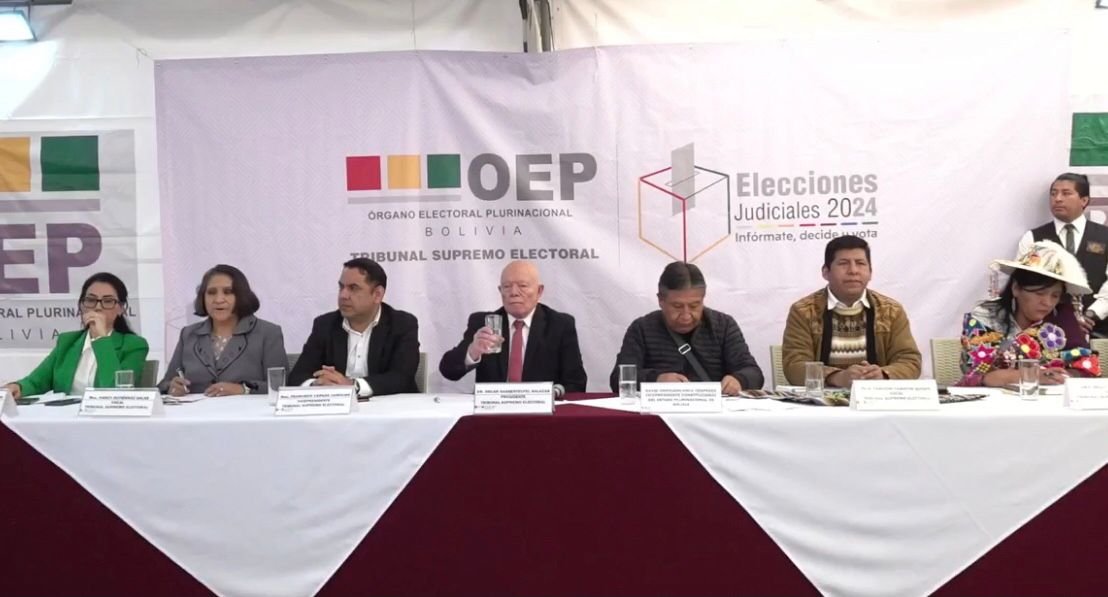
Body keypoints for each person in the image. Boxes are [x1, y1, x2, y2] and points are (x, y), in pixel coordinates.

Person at [782, 235, 921, 387]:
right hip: (822, 399)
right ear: (826, 272)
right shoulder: (803, 311)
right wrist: (837, 377)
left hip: (876, 397)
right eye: (843, 263)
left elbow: (910, 361)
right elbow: (794, 366)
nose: (853, 271)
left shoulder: (891, 311)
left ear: (870, 272)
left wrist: (882, 375)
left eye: (860, 263)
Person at [958, 240, 1100, 386]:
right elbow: (977, 375)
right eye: (1039, 293)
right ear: (1016, 289)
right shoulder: (986, 317)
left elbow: (1087, 366)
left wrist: (1065, 376)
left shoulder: (1063, 319)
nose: (1047, 303)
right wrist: (1033, 375)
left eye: (1055, 296)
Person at [609, 261, 762, 394]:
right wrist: (656, 380)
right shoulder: (642, 328)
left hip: (714, 412)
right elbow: (618, 379)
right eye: (677, 306)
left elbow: (754, 373)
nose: (686, 315)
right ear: (661, 301)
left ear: (703, 299)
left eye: (694, 306)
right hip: (659, 412)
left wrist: (739, 380)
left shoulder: (724, 325)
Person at [439, 260, 587, 392]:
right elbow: (448, 371)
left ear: (539, 291)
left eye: (523, 286)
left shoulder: (560, 325)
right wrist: (472, 351)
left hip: (541, 410)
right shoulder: (483, 323)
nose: (514, 292)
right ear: (500, 291)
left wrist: (552, 394)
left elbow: (576, 383)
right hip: (493, 409)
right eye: (507, 286)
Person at [288, 258, 420, 396]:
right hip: (337, 407)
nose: (343, 295)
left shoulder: (402, 324)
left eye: (353, 288)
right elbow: (297, 376)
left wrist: (352, 385)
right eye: (341, 287)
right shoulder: (325, 324)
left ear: (377, 294)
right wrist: (317, 384)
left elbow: (401, 378)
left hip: (389, 407)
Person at [3, 272, 149, 397]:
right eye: (91, 300)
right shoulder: (67, 341)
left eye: (108, 301)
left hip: (108, 418)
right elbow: (36, 382)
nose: (98, 307)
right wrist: (18, 387)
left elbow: (115, 391)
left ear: (121, 309)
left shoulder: (134, 345)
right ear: (81, 305)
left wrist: (101, 339)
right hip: (65, 418)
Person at [158, 264, 287, 397]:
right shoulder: (188, 334)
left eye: (228, 292)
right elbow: (164, 384)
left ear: (241, 296)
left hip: (246, 410)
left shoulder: (268, 333)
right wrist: (171, 387)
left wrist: (242, 389)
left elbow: (281, 386)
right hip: (196, 410)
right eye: (211, 292)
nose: (218, 300)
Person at [1020, 173, 1108, 337]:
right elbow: (1024, 284)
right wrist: (1062, 319)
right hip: (1047, 332)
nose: (1058, 199)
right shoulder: (1033, 238)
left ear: (1084, 200)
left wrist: (1090, 314)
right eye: (1053, 194)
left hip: (1098, 330)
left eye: (1066, 193)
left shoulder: (1105, 236)